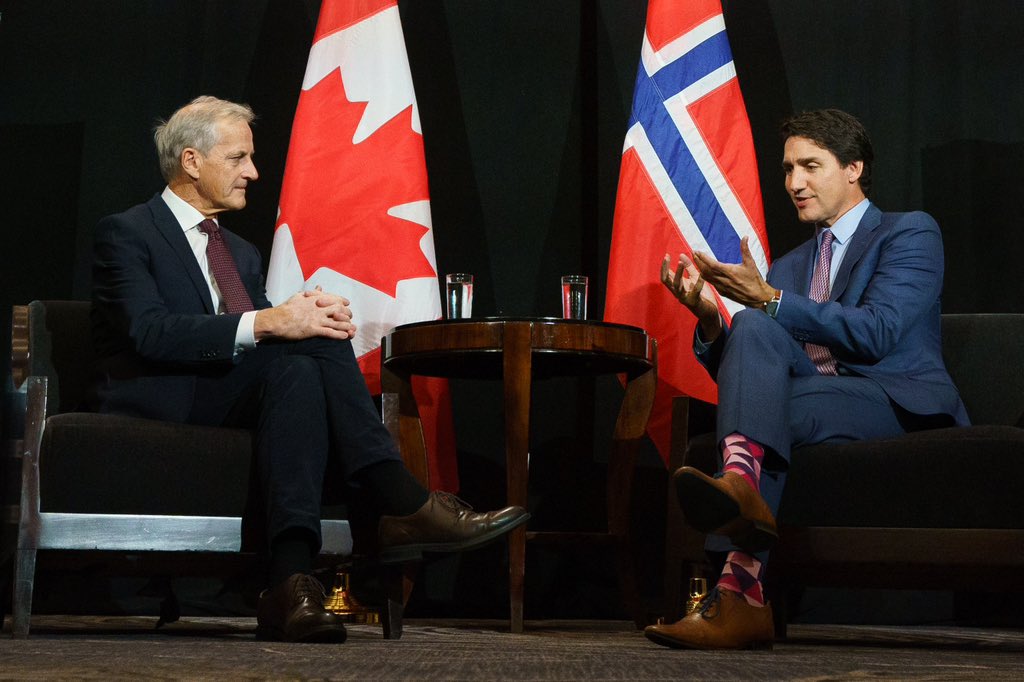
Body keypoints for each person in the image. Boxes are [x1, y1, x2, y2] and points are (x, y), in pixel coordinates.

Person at [90, 96, 529, 644]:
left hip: (234, 393)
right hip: (164, 395)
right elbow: (148, 333)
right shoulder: (128, 233)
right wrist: (276, 321)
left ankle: (291, 584)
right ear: (191, 161)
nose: (253, 172)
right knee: (304, 346)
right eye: (238, 158)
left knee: (304, 358)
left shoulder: (242, 253)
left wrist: (301, 316)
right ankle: (399, 496)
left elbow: (268, 341)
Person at [644, 109, 968, 650]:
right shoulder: (788, 267)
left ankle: (737, 575)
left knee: (762, 358)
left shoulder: (909, 232)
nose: (794, 182)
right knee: (748, 327)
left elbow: (877, 334)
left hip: (892, 401)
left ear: (853, 168)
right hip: (810, 403)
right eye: (788, 168)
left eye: (810, 166)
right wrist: (710, 321)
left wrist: (770, 301)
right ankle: (740, 564)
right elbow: (754, 371)